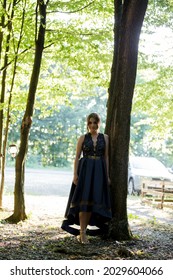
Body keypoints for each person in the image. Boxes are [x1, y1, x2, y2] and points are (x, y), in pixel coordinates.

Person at [61, 113, 112, 244]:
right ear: (87, 124)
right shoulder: (83, 138)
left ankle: (85, 231)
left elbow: (106, 157)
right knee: (83, 201)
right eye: (90, 123)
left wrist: (107, 176)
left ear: (99, 123)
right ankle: (82, 233)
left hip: (99, 172)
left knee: (93, 202)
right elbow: (77, 157)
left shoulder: (105, 138)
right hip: (85, 172)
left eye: (95, 122)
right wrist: (75, 174)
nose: (93, 125)